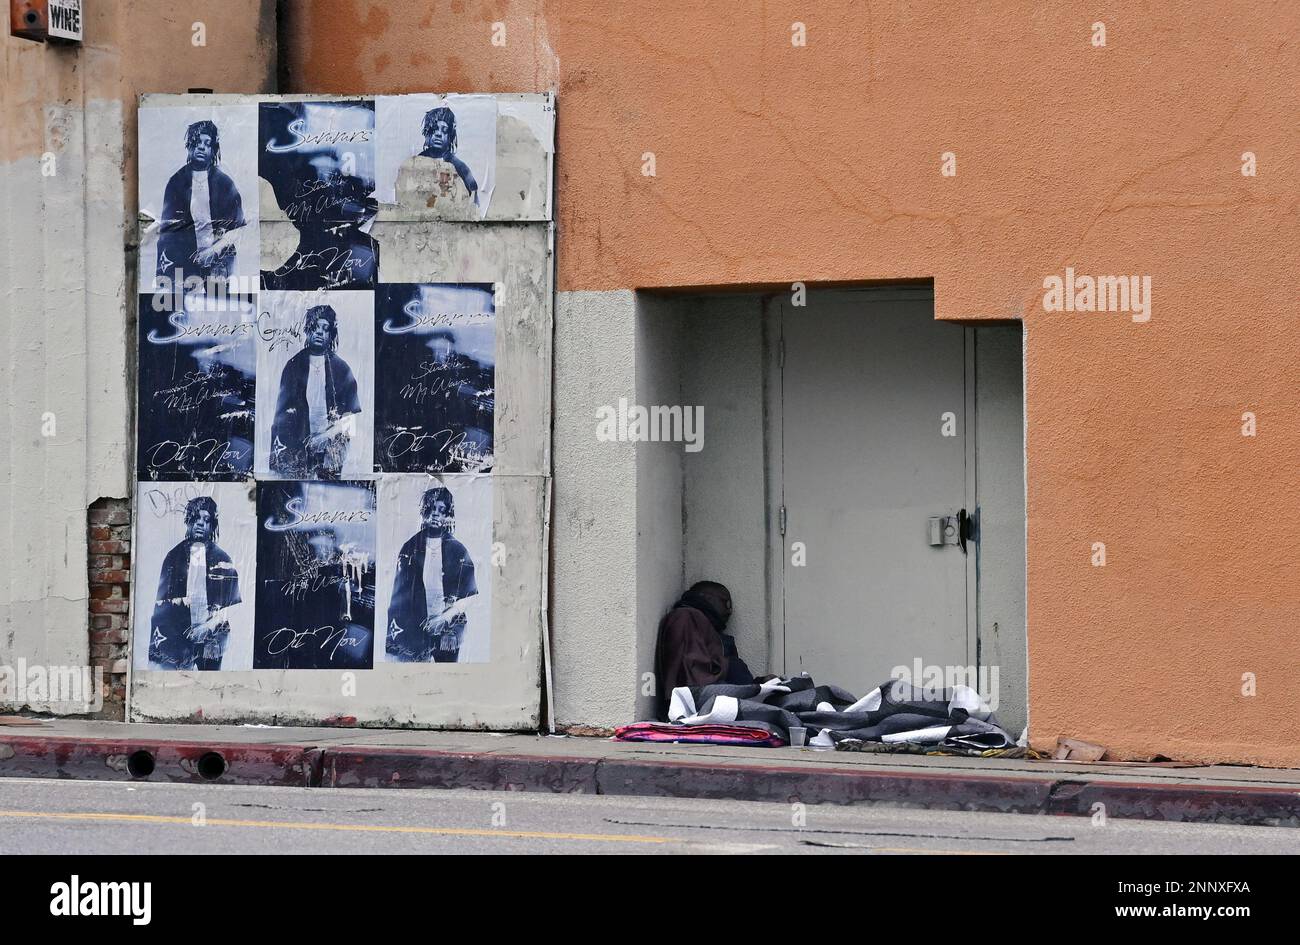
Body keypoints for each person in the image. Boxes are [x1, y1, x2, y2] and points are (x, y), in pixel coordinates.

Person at [385, 486, 478, 663]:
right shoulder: (410, 547)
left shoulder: (457, 549)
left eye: (441, 511)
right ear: (425, 511)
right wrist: (394, 634)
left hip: (448, 630)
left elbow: (470, 594)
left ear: (447, 515)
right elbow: (398, 595)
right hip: (415, 628)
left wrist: (444, 618)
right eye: (432, 509)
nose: (435, 514)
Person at [148, 496, 241, 671]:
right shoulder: (173, 558)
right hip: (178, 637)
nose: (200, 523)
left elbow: (230, 608)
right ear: (189, 521)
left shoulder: (223, 559)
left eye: (206, 520)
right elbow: (162, 607)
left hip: (211, 638)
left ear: (212, 525)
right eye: (196, 518)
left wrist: (208, 627)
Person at [269, 304, 362, 479]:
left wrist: (325, 437)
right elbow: (280, 417)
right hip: (296, 451)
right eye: (315, 327)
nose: (319, 332)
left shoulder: (342, 369)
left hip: (330, 452)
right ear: (307, 331)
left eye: (325, 328)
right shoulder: (293, 366)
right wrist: (279, 462)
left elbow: (351, 421)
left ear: (331, 334)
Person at [157, 120, 246, 285]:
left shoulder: (225, 183)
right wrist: (164, 275)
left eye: (207, 143)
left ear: (213, 149)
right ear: (190, 146)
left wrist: (213, 251)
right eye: (197, 142)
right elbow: (166, 233)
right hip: (184, 265)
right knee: (184, 307)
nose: (201, 147)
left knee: (218, 306)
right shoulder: (176, 183)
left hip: (219, 264)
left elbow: (238, 228)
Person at [652, 580, 754, 718]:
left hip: (717, 710)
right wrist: (732, 666)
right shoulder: (685, 617)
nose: (730, 610)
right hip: (696, 716)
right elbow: (691, 682)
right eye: (726, 603)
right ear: (706, 598)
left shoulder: (710, 630)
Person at [394, 106, 480, 219]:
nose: (438, 134)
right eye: (434, 129)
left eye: (444, 131)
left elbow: (474, 193)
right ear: (427, 133)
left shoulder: (458, 166)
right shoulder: (416, 163)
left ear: (450, 136)